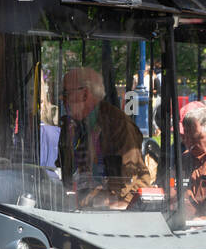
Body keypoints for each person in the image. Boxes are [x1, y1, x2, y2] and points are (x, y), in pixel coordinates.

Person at [58, 67, 151, 207]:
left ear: (85, 95)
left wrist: (122, 204)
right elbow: (64, 170)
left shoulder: (117, 124)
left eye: (66, 94)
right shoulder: (70, 125)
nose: (62, 99)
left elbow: (138, 177)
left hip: (104, 214)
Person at [181, 101, 206, 217]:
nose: (188, 142)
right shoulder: (183, 160)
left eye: (194, 137)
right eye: (185, 136)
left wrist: (205, 220)